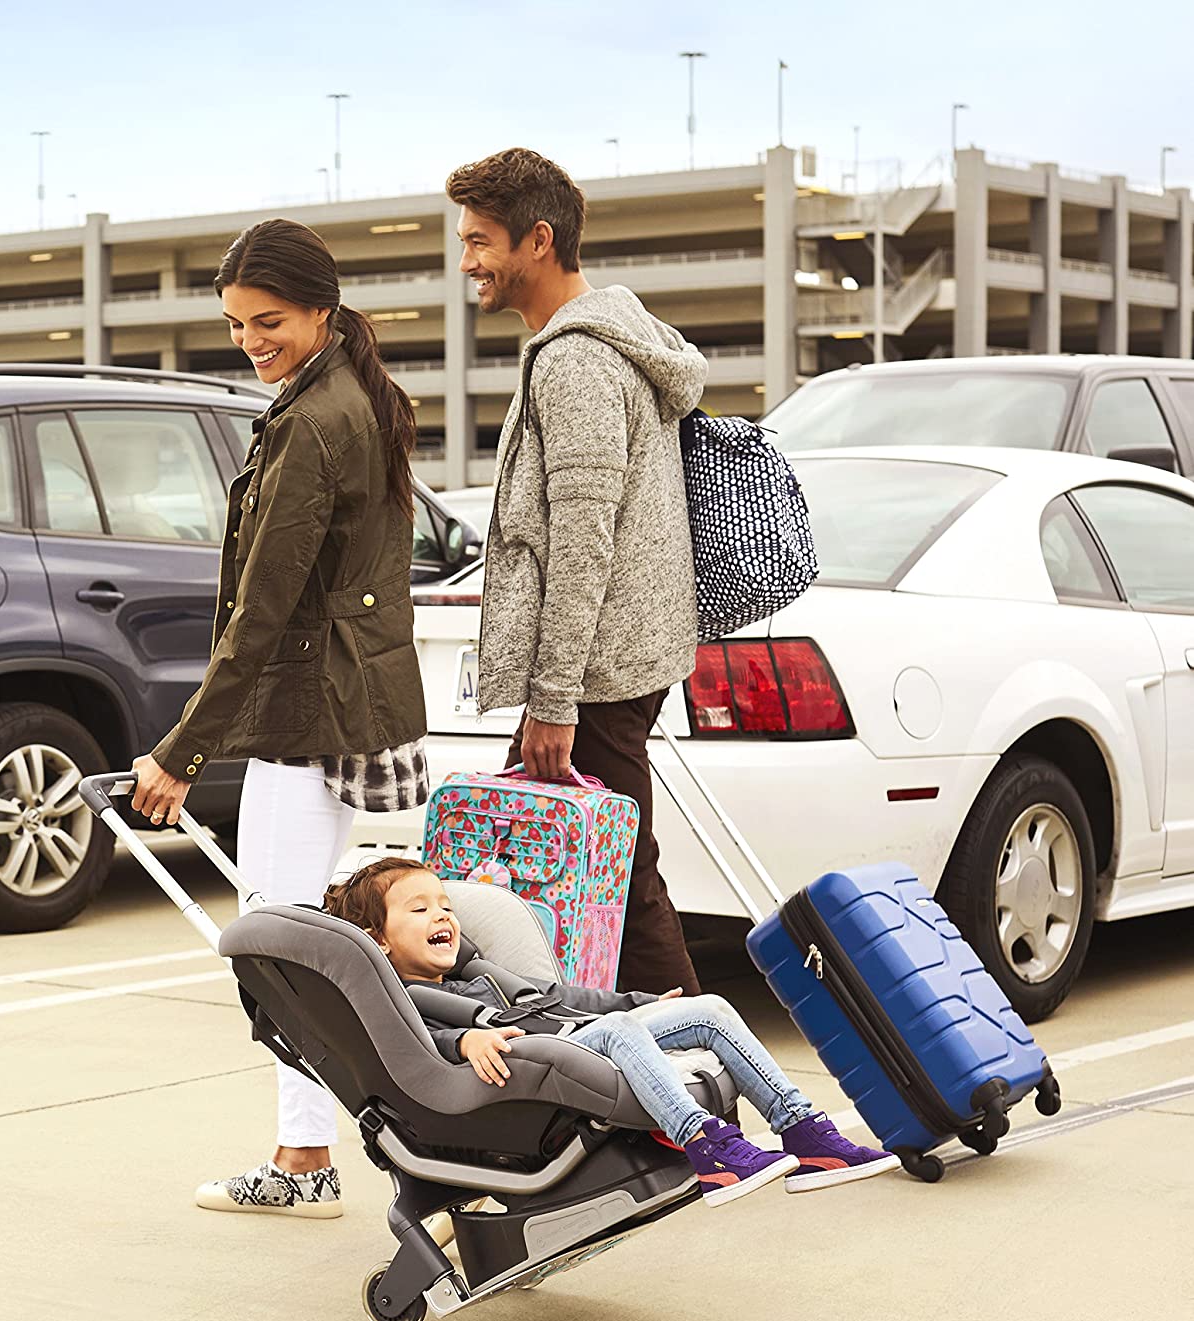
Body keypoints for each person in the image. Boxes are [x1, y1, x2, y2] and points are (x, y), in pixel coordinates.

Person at [130, 219, 428, 1220]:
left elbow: (263, 608)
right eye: (238, 325)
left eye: (271, 322)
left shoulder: (315, 419)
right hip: (333, 704)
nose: (253, 341)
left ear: (321, 309)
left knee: (284, 946)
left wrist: (182, 749)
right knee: (295, 939)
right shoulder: (347, 395)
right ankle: (311, 1151)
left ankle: (311, 1163)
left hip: (311, 711)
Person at [445, 147, 706, 998]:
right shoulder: (603, 344)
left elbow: (584, 539)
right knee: (607, 875)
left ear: (539, 241)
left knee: (623, 886)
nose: (468, 262)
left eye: (481, 241)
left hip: (597, 669)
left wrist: (553, 700)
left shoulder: (576, 362)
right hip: (616, 656)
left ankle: (707, 1102)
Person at [325, 859, 900, 1204]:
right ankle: (708, 1149)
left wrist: (647, 1000)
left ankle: (803, 1131)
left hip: (575, 1035)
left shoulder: (479, 973)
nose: (443, 917)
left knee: (712, 1009)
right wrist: (464, 1040)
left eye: (445, 906)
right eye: (419, 910)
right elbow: (413, 1047)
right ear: (378, 941)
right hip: (533, 1063)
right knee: (621, 1029)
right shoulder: (399, 997)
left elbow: (558, 998)